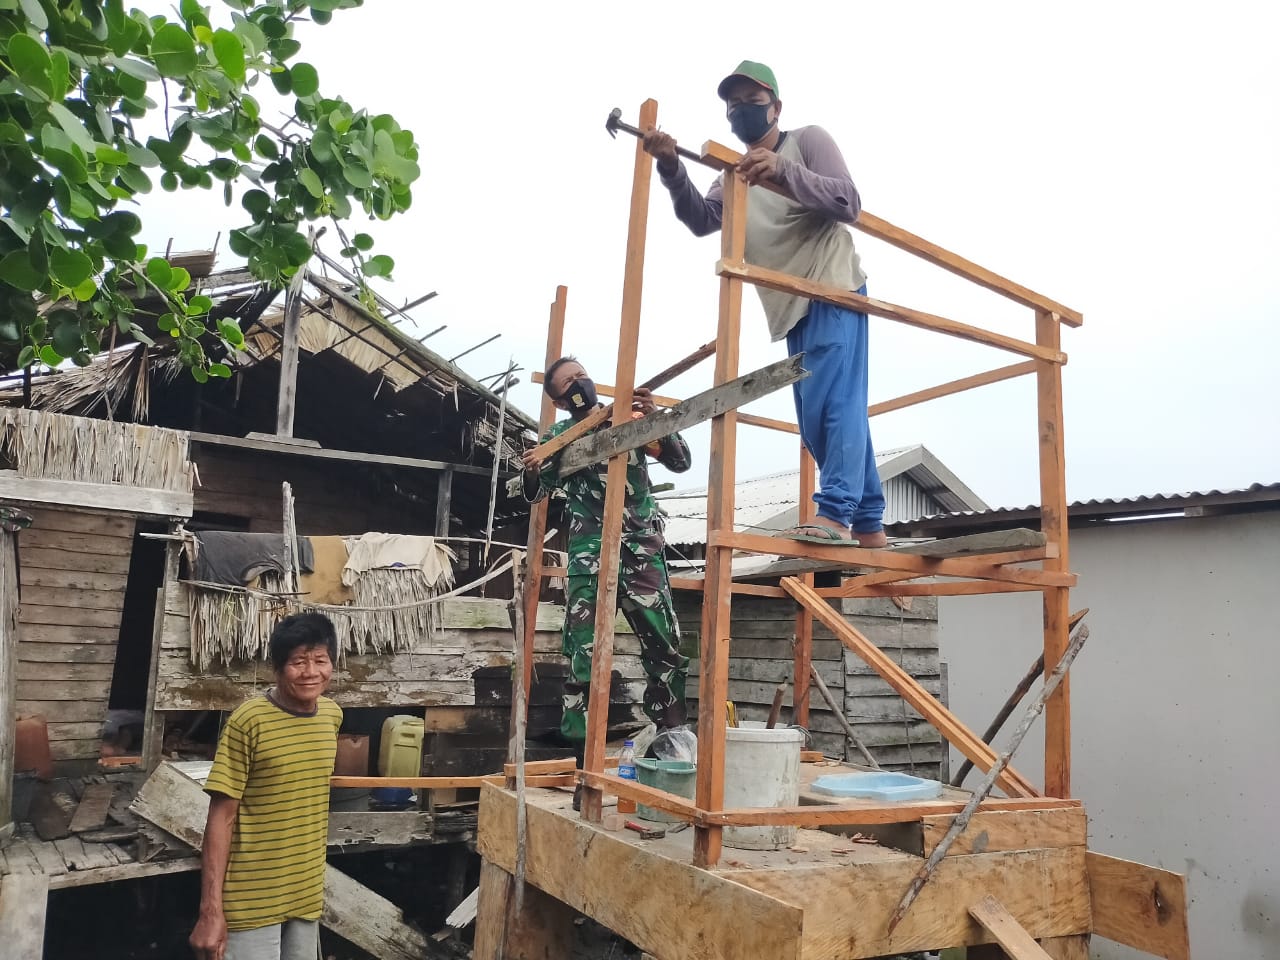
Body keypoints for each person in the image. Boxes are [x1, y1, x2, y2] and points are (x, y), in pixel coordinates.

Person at [643, 60, 887, 547]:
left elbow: (848, 202)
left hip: (832, 284)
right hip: (790, 305)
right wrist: (671, 166)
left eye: (752, 103)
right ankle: (869, 525)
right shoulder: (733, 176)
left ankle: (838, 513)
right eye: (732, 106)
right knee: (819, 415)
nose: (741, 112)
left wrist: (784, 170)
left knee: (834, 405)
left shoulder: (807, 142)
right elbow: (701, 218)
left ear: (776, 108)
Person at [523, 357, 691, 806]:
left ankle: (673, 752)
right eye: (569, 384)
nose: (580, 385)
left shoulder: (629, 419)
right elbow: (533, 489)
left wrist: (655, 420)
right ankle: (586, 771)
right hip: (591, 559)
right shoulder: (559, 438)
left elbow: (680, 461)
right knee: (584, 659)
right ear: (559, 400)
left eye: (581, 375)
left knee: (665, 647)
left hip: (641, 554)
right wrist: (536, 465)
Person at [190, 613, 343, 960]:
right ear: (278, 666)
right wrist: (211, 912)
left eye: (320, 660)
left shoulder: (331, 716)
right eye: (298, 662)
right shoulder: (249, 721)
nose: (310, 672)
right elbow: (221, 818)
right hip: (249, 900)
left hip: (305, 895)